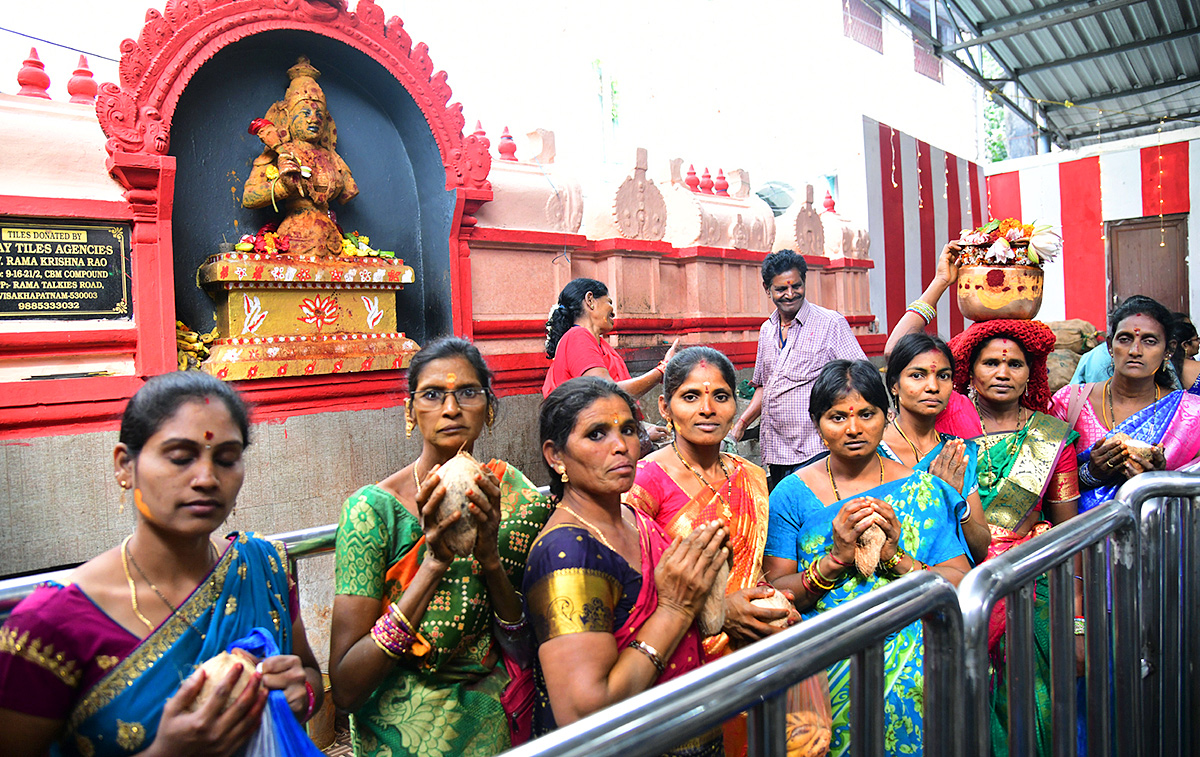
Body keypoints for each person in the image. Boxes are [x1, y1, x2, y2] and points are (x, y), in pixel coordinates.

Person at [0, 372, 322, 757]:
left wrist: (299, 694)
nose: (206, 478)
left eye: (227, 459)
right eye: (180, 458)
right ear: (124, 466)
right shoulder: (50, 625)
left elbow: (309, 675)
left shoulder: (261, 569)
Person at [887, 243, 1082, 755]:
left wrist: (1077, 615)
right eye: (989, 362)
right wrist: (940, 284)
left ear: (1029, 373)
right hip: (951, 579)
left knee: (1026, 712)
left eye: (1014, 364)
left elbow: (1069, 530)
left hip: (1028, 589)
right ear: (967, 373)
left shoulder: (1052, 436)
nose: (1002, 372)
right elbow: (898, 356)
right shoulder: (951, 420)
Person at [329, 337, 553, 757]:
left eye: (468, 392)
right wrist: (433, 564)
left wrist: (489, 560)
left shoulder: (514, 495)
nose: (451, 409)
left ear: (488, 408)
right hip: (399, 729)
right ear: (410, 410)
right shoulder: (373, 512)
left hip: (494, 719)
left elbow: (525, 645)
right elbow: (345, 688)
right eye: (432, 394)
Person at [763, 360, 971, 757]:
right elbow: (774, 592)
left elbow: (960, 581)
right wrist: (835, 560)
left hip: (918, 664)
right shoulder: (790, 494)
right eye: (837, 417)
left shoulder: (923, 489)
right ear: (816, 422)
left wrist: (896, 558)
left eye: (866, 414)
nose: (853, 429)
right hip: (826, 667)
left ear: (886, 414)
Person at [526, 376, 728, 756]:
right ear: (555, 456)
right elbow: (586, 713)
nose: (621, 446)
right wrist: (675, 609)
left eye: (629, 429)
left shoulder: (635, 519)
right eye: (597, 434)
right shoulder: (567, 552)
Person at [625, 347, 798, 755]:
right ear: (665, 407)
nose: (707, 409)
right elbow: (637, 594)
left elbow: (759, 569)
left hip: (756, 654)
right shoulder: (643, 485)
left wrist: (775, 601)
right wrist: (721, 611)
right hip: (684, 667)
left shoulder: (751, 476)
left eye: (720, 396)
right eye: (690, 397)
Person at [732, 250, 867, 491]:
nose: (790, 294)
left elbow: (862, 376)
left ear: (805, 282)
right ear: (767, 289)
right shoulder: (767, 329)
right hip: (776, 452)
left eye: (797, 286)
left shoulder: (830, 323)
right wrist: (740, 426)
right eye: (781, 289)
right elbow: (766, 386)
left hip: (817, 449)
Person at [1051, 296, 1200, 513]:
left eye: (1150, 341)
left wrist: (1161, 481)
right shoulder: (1070, 402)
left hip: (1159, 538)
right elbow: (1043, 483)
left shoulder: (1192, 414)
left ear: (1169, 349)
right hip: (1083, 538)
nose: (1135, 351)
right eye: (1124, 339)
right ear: (1110, 346)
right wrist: (1090, 473)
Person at [881, 333, 990, 564]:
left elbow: (980, 548)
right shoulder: (874, 452)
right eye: (917, 375)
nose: (932, 387)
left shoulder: (958, 453)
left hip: (951, 582)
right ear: (894, 386)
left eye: (943, 376)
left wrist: (955, 500)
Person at [241, 57, 358, 257]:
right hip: (294, 242)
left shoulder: (331, 157)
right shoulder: (280, 152)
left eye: (319, 114)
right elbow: (249, 198)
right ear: (287, 117)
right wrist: (282, 187)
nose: (313, 119)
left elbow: (349, 192)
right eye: (305, 113)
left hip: (333, 243)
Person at [542, 277, 679, 399]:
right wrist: (663, 369)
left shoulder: (600, 345)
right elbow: (607, 393)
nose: (613, 312)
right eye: (609, 302)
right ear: (590, 300)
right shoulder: (577, 337)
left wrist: (644, 427)